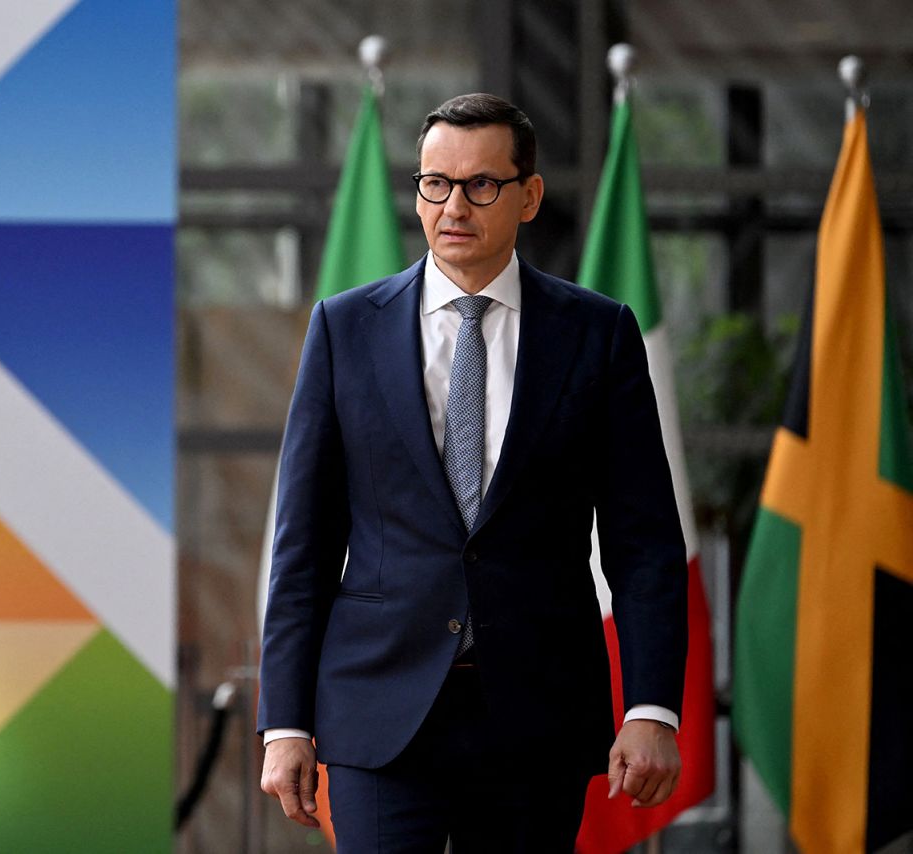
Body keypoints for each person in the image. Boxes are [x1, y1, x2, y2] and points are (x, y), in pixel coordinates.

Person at [257, 93, 688, 852]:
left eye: (482, 185)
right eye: (435, 183)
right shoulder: (344, 329)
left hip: (537, 713)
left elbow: (644, 542)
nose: (454, 205)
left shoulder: (598, 334)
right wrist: (284, 722)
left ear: (529, 196)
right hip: (378, 714)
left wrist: (651, 708)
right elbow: (304, 548)